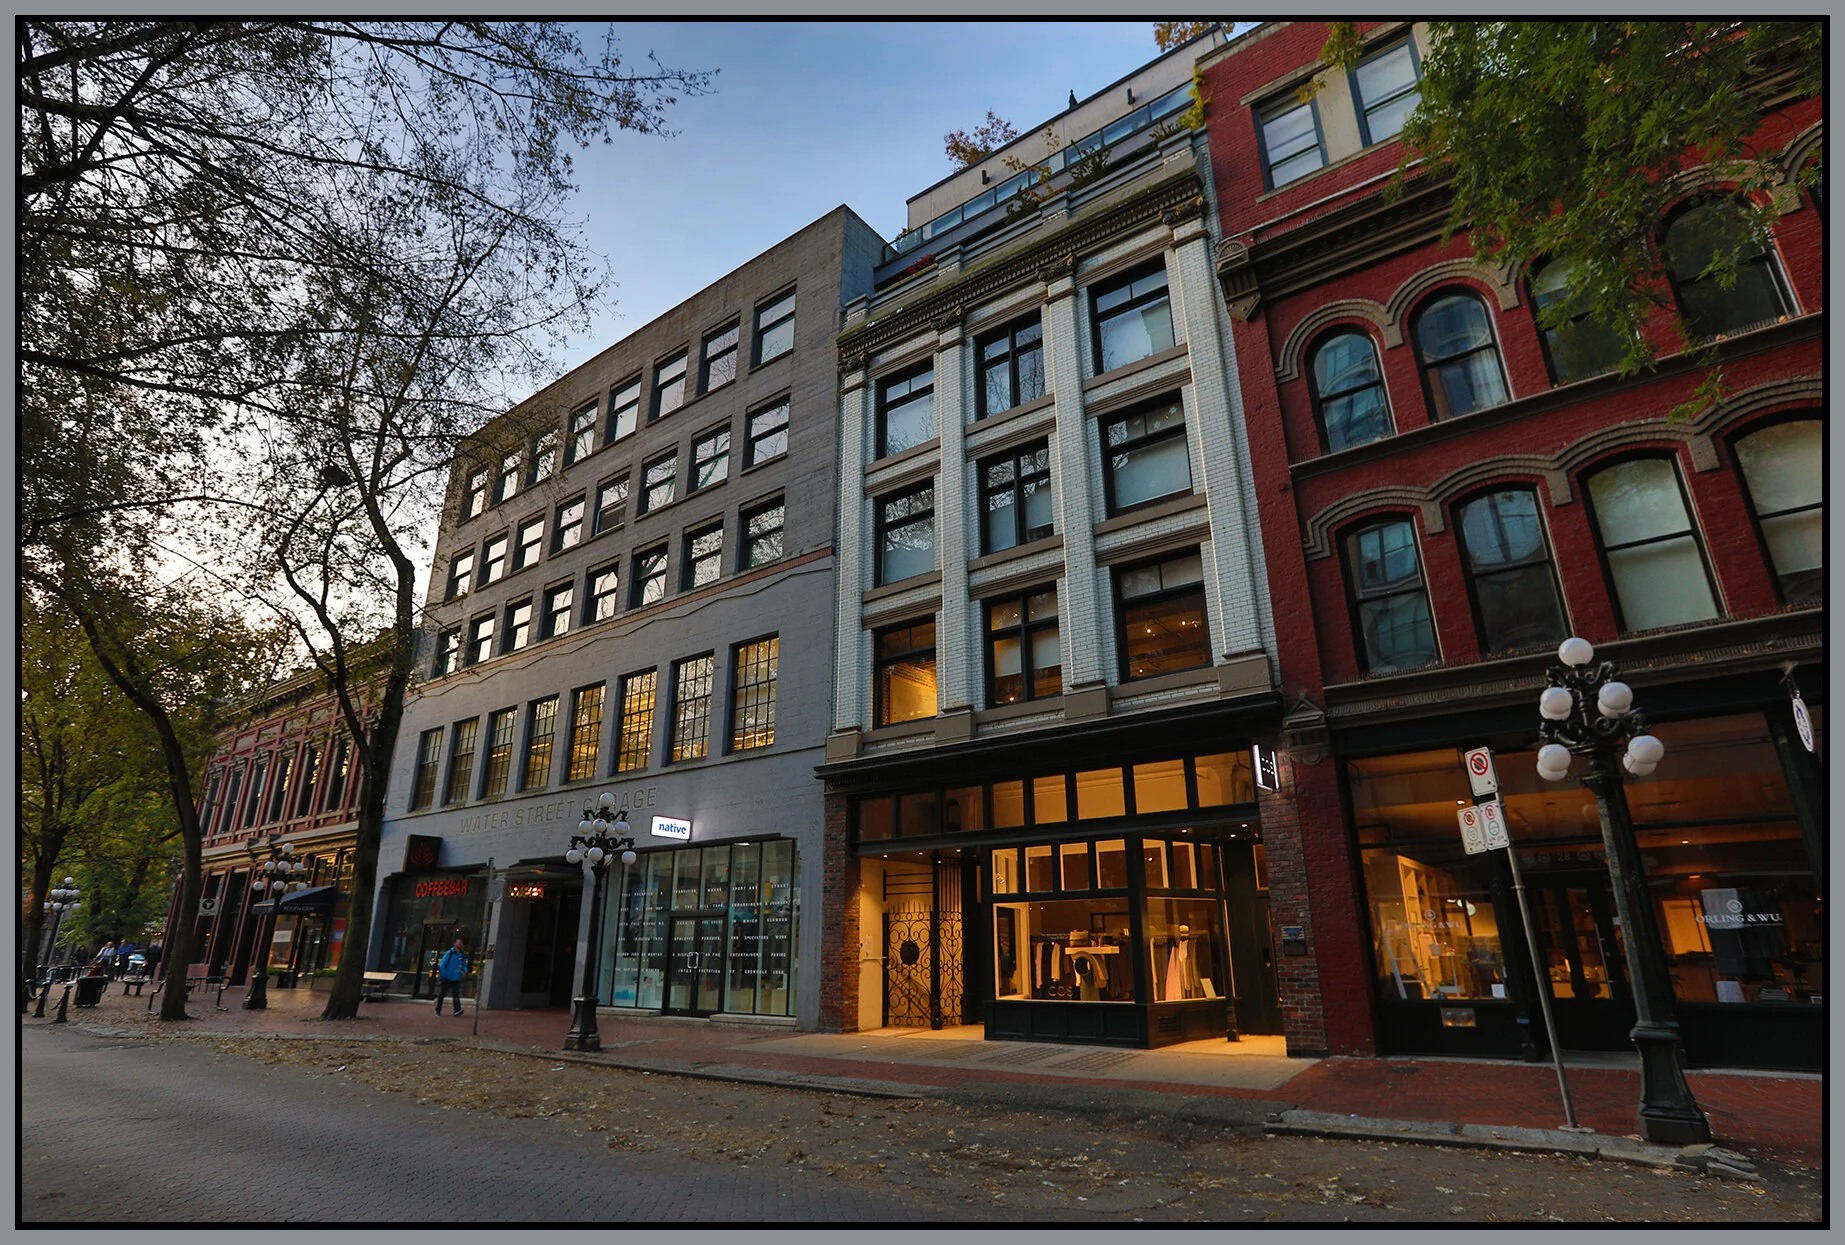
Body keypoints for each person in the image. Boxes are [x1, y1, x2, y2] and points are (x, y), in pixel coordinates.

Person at [434, 939, 468, 1016]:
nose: (460, 945)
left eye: (461, 943)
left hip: (456, 977)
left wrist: (465, 970)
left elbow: (463, 965)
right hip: (447, 977)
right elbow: (442, 965)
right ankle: (438, 1010)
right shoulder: (450, 953)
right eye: (459, 943)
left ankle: (457, 1010)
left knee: (456, 994)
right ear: (455, 944)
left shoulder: (462, 955)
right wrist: (442, 976)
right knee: (442, 994)